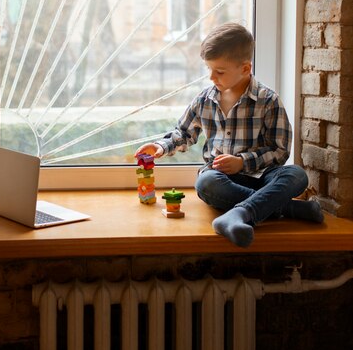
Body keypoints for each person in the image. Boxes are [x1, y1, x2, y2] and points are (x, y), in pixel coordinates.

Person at [135, 22, 323, 248]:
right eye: (209, 69)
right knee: (206, 183)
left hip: (262, 176)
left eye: (219, 71)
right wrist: (162, 146)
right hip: (223, 179)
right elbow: (183, 133)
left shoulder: (268, 100)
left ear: (245, 68)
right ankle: (287, 207)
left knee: (296, 175)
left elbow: (280, 150)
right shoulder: (205, 100)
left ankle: (238, 214)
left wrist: (242, 162)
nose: (212, 77)